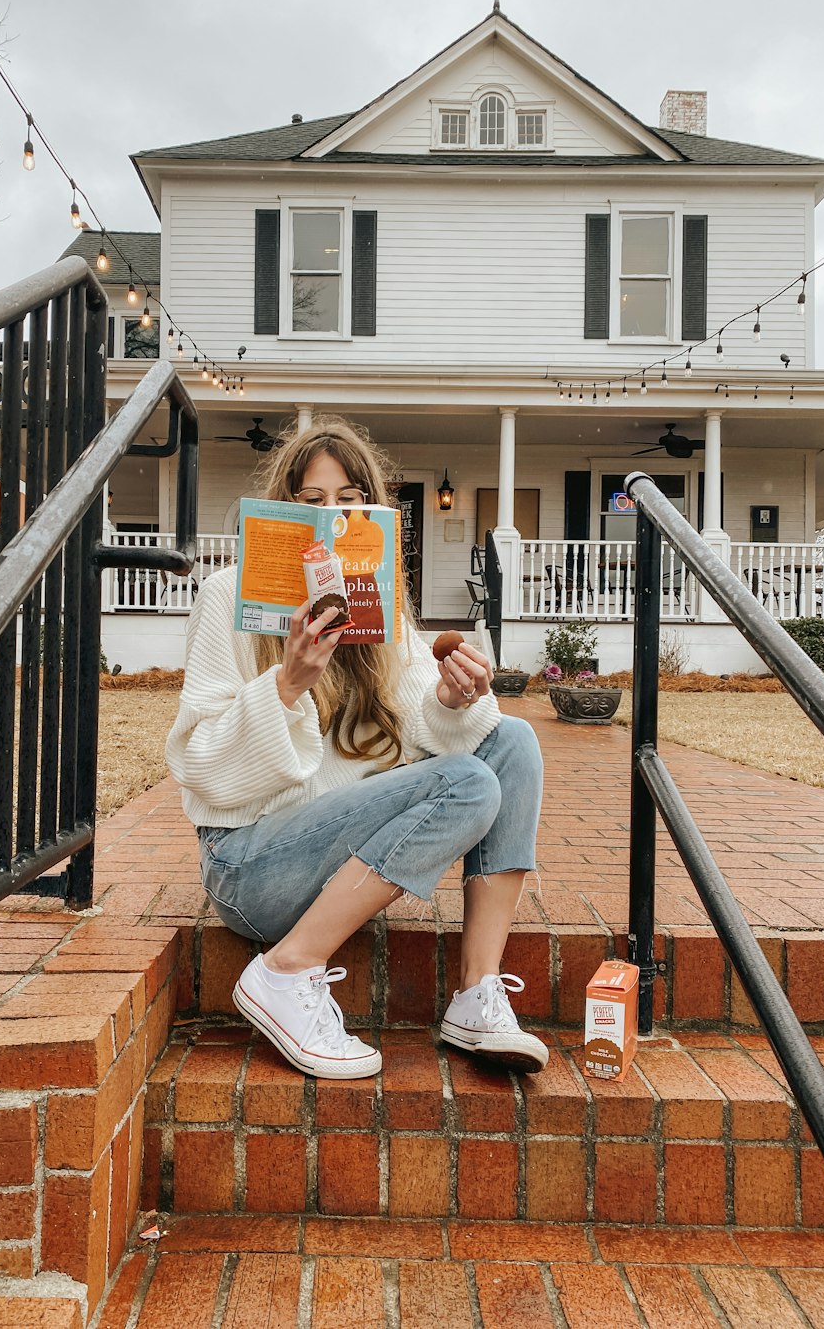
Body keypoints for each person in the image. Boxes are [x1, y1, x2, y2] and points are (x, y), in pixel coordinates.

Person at [165, 416, 546, 1080]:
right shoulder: (227, 595)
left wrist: (454, 699)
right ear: (284, 513)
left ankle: (476, 993)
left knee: (511, 740)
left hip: (335, 854)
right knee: (470, 785)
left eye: (348, 502)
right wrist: (285, 687)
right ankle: (285, 971)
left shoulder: (384, 613)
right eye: (312, 504)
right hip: (249, 865)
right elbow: (199, 765)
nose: (331, 517)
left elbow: (428, 727)